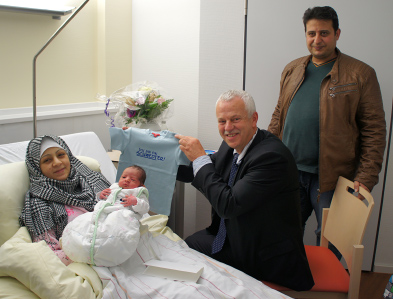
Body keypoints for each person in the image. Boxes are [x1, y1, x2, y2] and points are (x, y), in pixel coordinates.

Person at [268, 6, 386, 253]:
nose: (317, 40)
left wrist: (365, 178)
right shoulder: (293, 69)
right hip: (290, 172)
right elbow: (278, 117)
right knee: (284, 232)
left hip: (333, 178)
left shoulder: (361, 74)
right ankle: (291, 283)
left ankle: (325, 289)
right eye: (311, 33)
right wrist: (267, 157)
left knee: (332, 242)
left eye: (324, 33)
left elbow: (374, 132)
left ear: (337, 34)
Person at [175, 90, 314, 291]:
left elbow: (227, 205)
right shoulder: (234, 143)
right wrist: (157, 157)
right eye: (222, 121)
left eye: (235, 119)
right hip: (240, 236)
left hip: (267, 256)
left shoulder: (272, 157)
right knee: (188, 244)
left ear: (253, 119)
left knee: (186, 249)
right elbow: (207, 170)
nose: (228, 128)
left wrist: (200, 158)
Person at [19, 135, 111, 266]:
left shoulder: (93, 180)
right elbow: (49, 253)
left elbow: (120, 205)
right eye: (47, 160)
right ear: (36, 168)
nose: (57, 162)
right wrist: (96, 253)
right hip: (90, 260)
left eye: (61, 155)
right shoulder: (38, 203)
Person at [61, 165, 149, 266]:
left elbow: (145, 208)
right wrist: (101, 195)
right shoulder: (114, 187)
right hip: (102, 212)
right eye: (124, 177)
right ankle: (80, 246)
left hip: (121, 216)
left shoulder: (138, 192)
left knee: (113, 231)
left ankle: (106, 252)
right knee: (84, 223)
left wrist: (136, 201)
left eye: (132, 179)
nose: (127, 180)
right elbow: (105, 200)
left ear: (141, 185)